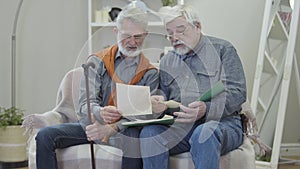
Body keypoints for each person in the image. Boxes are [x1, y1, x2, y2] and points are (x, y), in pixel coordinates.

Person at [35, 5, 159, 169]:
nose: (132, 42)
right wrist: (99, 111)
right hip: (90, 126)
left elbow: (144, 115)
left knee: (133, 137)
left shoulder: (150, 72)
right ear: (116, 32)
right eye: (126, 36)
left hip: (122, 131)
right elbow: (84, 103)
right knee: (44, 136)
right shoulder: (96, 61)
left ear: (146, 35)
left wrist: (111, 128)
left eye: (138, 37)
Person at [140, 4, 247, 169]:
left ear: (197, 27)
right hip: (181, 126)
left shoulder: (223, 50)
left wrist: (206, 108)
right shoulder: (167, 61)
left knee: (204, 133)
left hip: (223, 123)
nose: (174, 37)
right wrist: (158, 104)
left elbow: (238, 92)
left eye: (181, 30)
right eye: (169, 33)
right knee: (150, 133)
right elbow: (164, 98)